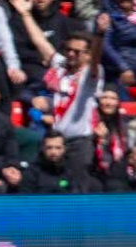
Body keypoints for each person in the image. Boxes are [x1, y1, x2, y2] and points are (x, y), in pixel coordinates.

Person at [12, 0, 109, 192]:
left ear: (87, 55)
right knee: (51, 186)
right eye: (68, 50)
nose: (71, 54)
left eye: (77, 52)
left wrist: (99, 35)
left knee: (78, 189)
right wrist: (25, 15)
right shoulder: (61, 67)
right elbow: (40, 42)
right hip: (57, 139)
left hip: (79, 143)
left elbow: (97, 56)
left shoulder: (91, 74)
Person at [8, 0, 81, 96]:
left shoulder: (69, 24)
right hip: (30, 74)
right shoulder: (16, 22)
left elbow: (51, 53)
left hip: (60, 75)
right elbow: (22, 49)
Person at [89, 86, 133, 191]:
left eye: (113, 98)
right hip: (94, 173)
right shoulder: (89, 121)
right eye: (105, 97)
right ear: (99, 101)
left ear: (118, 102)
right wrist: (95, 138)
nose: (108, 102)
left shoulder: (124, 124)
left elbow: (128, 151)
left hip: (118, 174)